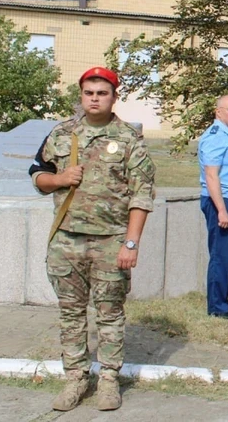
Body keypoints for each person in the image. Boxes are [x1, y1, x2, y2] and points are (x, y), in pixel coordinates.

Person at [30, 66, 155, 412]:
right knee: (70, 314)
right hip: (66, 241)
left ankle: (109, 380)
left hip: (110, 241)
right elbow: (37, 175)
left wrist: (131, 243)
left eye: (102, 93)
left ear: (114, 97)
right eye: (89, 93)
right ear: (81, 96)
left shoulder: (129, 139)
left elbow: (141, 195)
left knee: (110, 314)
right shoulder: (61, 134)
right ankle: (75, 379)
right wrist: (60, 179)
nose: (95, 98)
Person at [198, 95, 228, 319]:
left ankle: (223, 301)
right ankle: (217, 307)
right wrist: (221, 210)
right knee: (221, 255)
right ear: (218, 112)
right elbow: (211, 175)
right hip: (222, 200)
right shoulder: (215, 137)